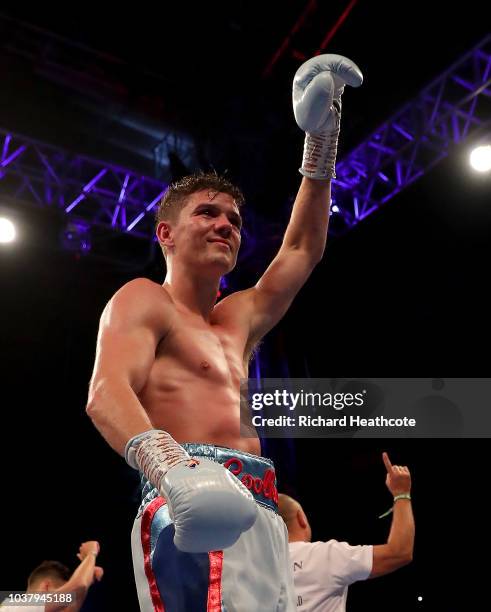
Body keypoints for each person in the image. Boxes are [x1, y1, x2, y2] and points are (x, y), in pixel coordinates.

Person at [86, 53, 363, 611]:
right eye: (208, 214)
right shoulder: (145, 300)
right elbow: (104, 394)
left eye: (235, 221)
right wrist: (169, 469)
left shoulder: (239, 316)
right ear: (165, 232)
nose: (225, 226)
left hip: (261, 511)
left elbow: (303, 249)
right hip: (187, 499)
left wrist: (321, 144)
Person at [278, 452, 415, 611]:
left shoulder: (256, 564)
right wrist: (401, 493)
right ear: (301, 518)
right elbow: (399, 552)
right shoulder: (325, 555)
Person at [1, 541, 103, 612]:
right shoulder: (14, 606)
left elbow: (72, 605)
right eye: (63, 603)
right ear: (46, 587)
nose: (63, 607)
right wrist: (91, 554)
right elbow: (78, 586)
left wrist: (89, 576)